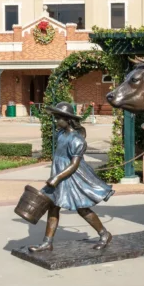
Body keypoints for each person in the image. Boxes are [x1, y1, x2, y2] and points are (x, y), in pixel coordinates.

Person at [29, 102, 114, 252]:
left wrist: (57, 178)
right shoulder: (61, 134)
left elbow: (74, 165)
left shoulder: (77, 140)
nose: (56, 121)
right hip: (60, 175)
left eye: (58, 118)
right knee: (53, 207)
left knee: (82, 208)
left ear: (67, 119)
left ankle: (104, 234)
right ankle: (47, 242)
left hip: (71, 178)